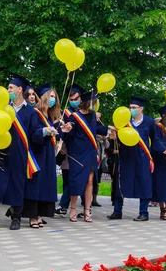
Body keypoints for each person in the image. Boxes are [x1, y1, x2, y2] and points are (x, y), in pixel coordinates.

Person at [0, 74, 44, 231]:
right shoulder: (1, 108)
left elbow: (35, 134)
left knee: (17, 184)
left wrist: (44, 131)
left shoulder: (30, 113)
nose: (8, 90)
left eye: (10, 87)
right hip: (1, 152)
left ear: (19, 89)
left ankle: (16, 217)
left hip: (19, 153)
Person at [108, 96, 166, 221]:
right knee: (121, 183)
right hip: (126, 157)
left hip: (142, 157)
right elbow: (120, 138)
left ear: (141, 109)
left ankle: (144, 213)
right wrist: (113, 136)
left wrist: (163, 149)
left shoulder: (149, 122)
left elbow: (154, 139)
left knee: (144, 183)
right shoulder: (125, 122)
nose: (131, 110)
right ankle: (117, 211)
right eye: (130, 107)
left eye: (134, 108)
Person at [23, 83, 69, 228]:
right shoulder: (34, 113)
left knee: (45, 184)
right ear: (43, 97)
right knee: (36, 184)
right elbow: (33, 133)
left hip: (47, 154)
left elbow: (52, 135)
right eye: (50, 96)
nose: (53, 99)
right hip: (37, 153)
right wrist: (44, 131)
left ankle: (40, 214)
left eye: (54, 97)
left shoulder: (48, 115)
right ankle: (32, 216)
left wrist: (62, 130)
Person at [62, 90, 108, 223]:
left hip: (91, 152)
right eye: (94, 103)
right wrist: (68, 129)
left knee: (89, 181)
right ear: (88, 103)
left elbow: (97, 129)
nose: (95, 106)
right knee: (76, 181)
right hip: (77, 153)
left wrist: (110, 129)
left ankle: (87, 211)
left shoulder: (93, 115)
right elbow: (70, 133)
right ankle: (73, 209)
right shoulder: (74, 116)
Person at [54, 84, 84, 215]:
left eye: (76, 99)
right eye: (71, 99)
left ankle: (84, 207)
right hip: (69, 151)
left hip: (83, 151)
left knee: (82, 179)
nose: (73, 102)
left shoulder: (86, 113)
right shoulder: (65, 113)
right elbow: (59, 130)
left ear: (81, 98)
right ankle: (65, 205)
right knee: (69, 178)